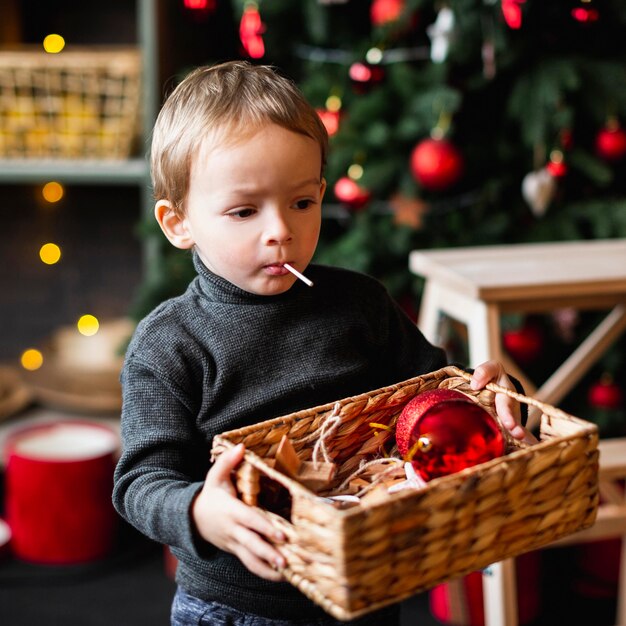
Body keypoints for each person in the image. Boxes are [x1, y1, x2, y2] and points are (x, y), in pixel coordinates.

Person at [112, 61, 533, 626]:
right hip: (235, 606)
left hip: (365, 587)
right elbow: (141, 481)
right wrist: (198, 512)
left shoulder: (360, 305)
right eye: (244, 211)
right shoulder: (170, 343)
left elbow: (433, 394)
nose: (280, 229)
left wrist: (492, 399)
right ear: (178, 222)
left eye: (302, 203)